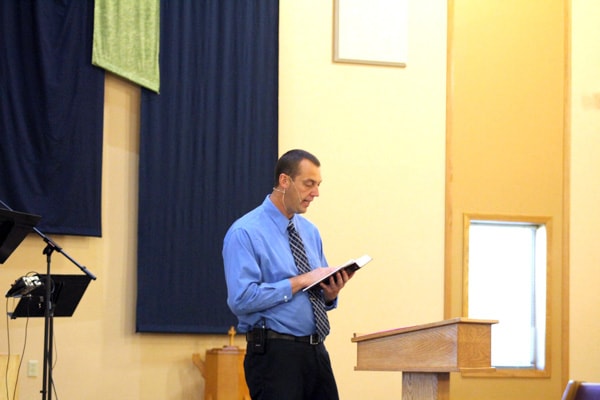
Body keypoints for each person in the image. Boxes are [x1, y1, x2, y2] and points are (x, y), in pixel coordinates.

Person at [223, 149, 354, 400]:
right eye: (309, 184)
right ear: (284, 181)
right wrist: (299, 281)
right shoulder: (245, 232)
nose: (316, 193)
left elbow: (315, 288)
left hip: (316, 350)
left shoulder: (310, 232)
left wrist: (330, 293)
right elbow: (241, 299)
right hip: (275, 355)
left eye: (318, 185)